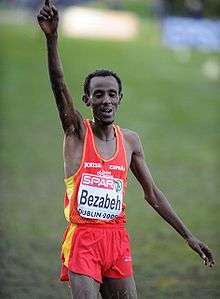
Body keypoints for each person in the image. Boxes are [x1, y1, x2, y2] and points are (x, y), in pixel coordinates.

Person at [37, 1, 215, 298]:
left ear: (120, 99)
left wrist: (188, 236)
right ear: (87, 100)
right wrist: (52, 39)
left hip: (117, 240)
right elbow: (58, 84)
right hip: (84, 240)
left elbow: (153, 195)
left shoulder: (130, 141)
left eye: (111, 94)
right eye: (98, 95)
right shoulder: (77, 132)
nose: (105, 100)